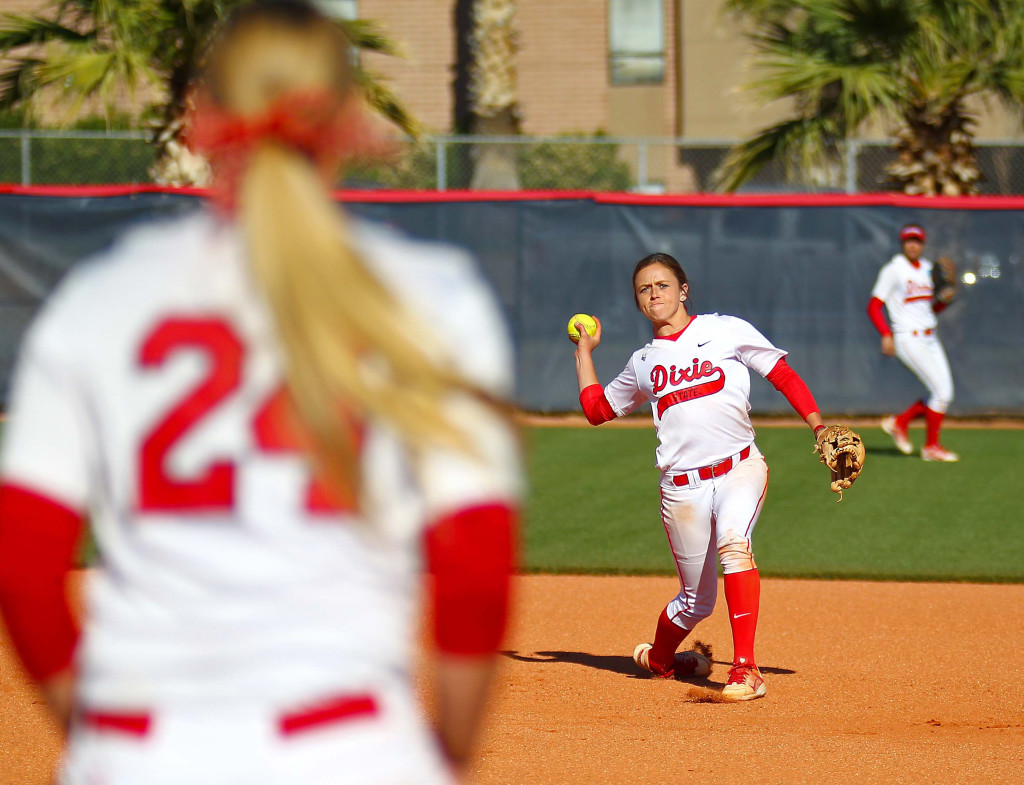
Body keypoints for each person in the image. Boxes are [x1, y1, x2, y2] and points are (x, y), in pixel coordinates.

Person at [0, 2, 520, 783]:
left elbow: (22, 561)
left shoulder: (103, 295)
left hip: (141, 750)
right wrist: (444, 751)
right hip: (346, 747)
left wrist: (105, 737)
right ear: (347, 115)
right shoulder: (429, 296)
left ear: (202, 116)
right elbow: (476, 559)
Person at [570, 252, 832, 702]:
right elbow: (596, 410)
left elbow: (781, 373)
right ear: (638, 303)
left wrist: (820, 426)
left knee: (735, 544)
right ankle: (661, 660)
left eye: (663, 285)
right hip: (681, 487)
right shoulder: (643, 362)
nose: (654, 294)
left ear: (683, 290)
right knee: (696, 602)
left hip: (739, 467)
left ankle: (746, 670)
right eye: (645, 289)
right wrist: (584, 352)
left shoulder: (724, 329)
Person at [868, 223, 958, 462]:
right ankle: (931, 446)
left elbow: (929, 309)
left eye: (917, 240)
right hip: (908, 337)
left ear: (923, 244)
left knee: (944, 393)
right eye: (909, 240)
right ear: (902, 243)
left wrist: (944, 301)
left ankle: (900, 423)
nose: (913, 244)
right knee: (939, 392)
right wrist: (886, 334)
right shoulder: (893, 270)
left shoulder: (928, 269)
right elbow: (874, 306)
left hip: (930, 335)